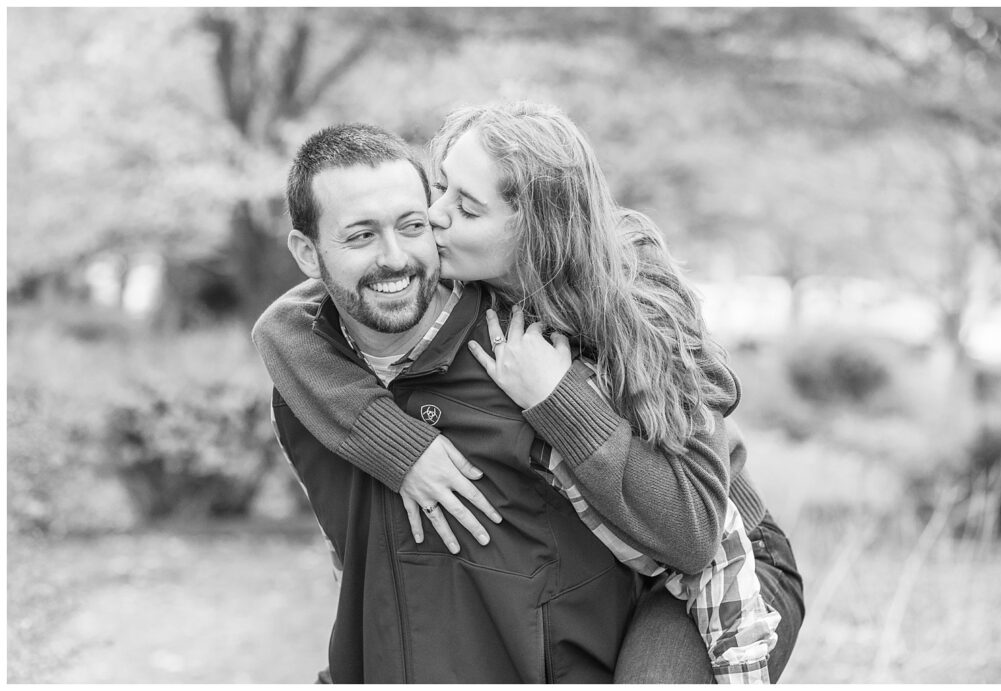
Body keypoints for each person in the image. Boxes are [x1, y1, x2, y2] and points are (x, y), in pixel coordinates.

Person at [256, 103, 804, 682]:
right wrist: (399, 445)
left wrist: (559, 398)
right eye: (440, 189)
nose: (434, 218)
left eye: (463, 206)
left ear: (532, 229)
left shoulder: (638, 307)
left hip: (724, 550)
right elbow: (286, 323)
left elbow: (692, 534)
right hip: (635, 554)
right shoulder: (465, 280)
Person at [269, 122, 641, 683]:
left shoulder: (536, 354)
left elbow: (650, 541)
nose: (394, 258)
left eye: (411, 225)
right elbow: (355, 563)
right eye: (360, 236)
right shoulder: (302, 391)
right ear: (306, 251)